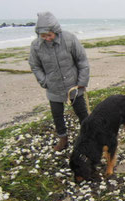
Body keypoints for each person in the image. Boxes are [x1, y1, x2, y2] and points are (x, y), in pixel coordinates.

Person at [29, 12, 90, 151]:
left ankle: (88, 137)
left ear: (55, 31)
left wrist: (82, 81)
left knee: (82, 113)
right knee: (57, 115)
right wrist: (44, 82)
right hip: (53, 87)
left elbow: (82, 60)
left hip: (74, 85)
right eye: (43, 36)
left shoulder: (69, 38)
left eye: (49, 35)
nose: (47, 38)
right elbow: (35, 65)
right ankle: (63, 139)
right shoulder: (36, 46)